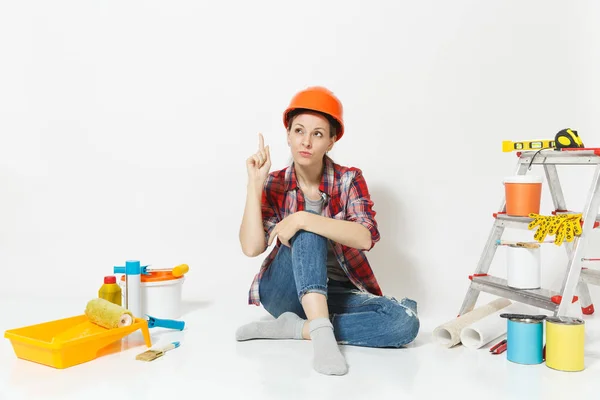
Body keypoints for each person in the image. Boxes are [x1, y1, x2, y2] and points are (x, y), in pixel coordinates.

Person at [236, 86, 420, 376]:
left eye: (318, 134)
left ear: (332, 140)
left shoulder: (349, 179)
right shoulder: (274, 183)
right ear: (288, 134)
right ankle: (323, 337)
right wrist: (254, 184)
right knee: (307, 228)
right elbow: (251, 247)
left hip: (333, 292)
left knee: (404, 322)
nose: (306, 141)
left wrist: (302, 219)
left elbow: (364, 237)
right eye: (299, 131)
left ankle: (299, 328)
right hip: (284, 292)